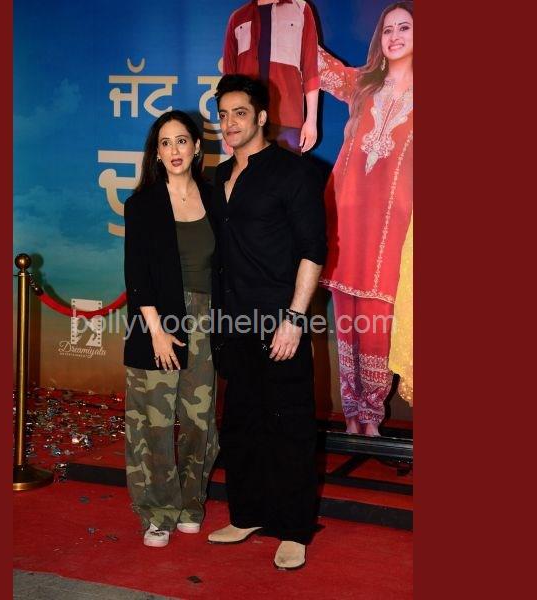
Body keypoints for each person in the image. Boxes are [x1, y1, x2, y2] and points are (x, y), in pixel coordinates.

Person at [206, 74, 326, 571]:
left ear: (261, 116)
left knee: (289, 425)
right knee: (241, 423)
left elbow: (313, 250)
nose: (230, 123)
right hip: (231, 322)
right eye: (223, 115)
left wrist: (294, 318)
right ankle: (248, 514)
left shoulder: (294, 172)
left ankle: (294, 528)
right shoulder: (216, 177)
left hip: (279, 320)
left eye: (240, 113)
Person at [123, 110, 219, 548]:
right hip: (155, 319)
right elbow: (136, 272)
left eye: (182, 140)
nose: (175, 150)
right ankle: (157, 512)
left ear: (197, 147)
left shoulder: (216, 198)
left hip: (210, 319)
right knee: (153, 422)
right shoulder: (141, 204)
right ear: (156, 153)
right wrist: (157, 330)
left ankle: (191, 504)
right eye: (165, 143)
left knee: (200, 419)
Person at [317, 2, 413, 436]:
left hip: (395, 225)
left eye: (404, 28)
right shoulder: (364, 84)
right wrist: (293, 14)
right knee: (347, 317)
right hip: (347, 218)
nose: (394, 37)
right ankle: (353, 414)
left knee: (377, 319)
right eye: (387, 29)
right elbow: (319, 66)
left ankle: (371, 415)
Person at [222, 0, 320, 154]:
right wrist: (227, 129)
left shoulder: (300, 9)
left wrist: (311, 121)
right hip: (246, 121)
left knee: (287, 169)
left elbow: (311, 70)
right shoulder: (237, 18)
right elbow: (228, 81)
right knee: (249, 170)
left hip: (288, 118)